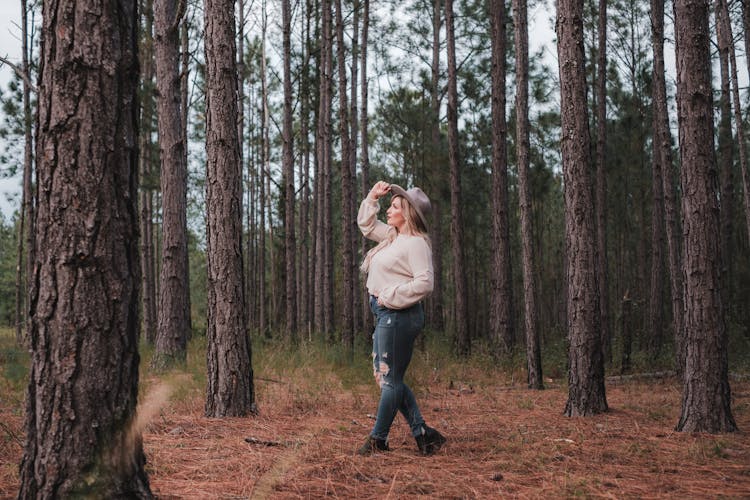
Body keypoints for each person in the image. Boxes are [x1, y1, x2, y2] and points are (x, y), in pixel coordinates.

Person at [356, 180, 447, 456]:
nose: (388, 210)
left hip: (399, 316)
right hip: (386, 313)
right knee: (387, 378)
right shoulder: (394, 236)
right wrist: (373, 196)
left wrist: (390, 295)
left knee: (390, 379)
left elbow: (425, 283)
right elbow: (367, 225)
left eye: (394, 206)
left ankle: (378, 440)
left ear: (407, 213)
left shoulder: (416, 244)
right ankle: (422, 434)